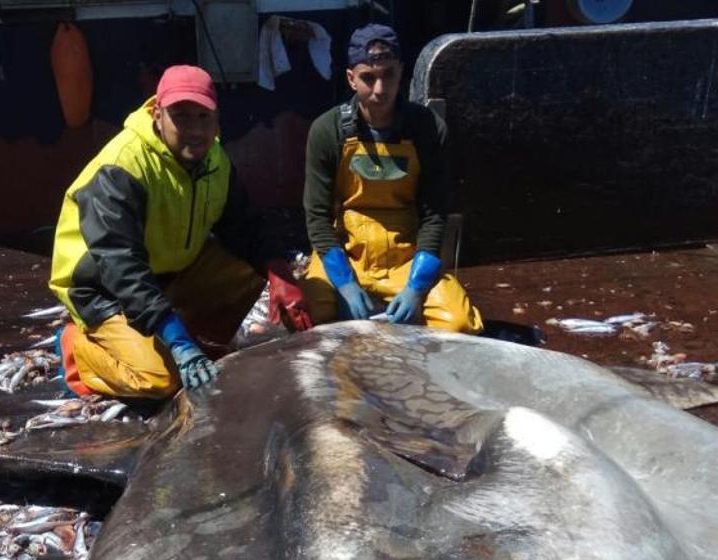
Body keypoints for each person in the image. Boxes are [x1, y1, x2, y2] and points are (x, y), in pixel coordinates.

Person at [49, 65, 279, 398]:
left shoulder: (214, 159)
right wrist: (177, 340)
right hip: (102, 289)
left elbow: (244, 225)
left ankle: (172, 336)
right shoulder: (122, 167)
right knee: (159, 381)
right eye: (181, 116)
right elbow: (121, 265)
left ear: (217, 119)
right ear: (158, 115)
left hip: (165, 275)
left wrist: (280, 273)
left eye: (203, 117)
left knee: (250, 265)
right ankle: (78, 347)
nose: (195, 130)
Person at [301, 24, 483, 334]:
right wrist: (344, 283)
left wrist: (416, 287)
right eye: (368, 78)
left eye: (389, 75)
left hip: (405, 257)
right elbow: (317, 218)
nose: (380, 89)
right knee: (308, 315)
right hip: (349, 253)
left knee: (460, 323)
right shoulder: (326, 130)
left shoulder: (428, 128)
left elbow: (435, 215)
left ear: (402, 73)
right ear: (351, 78)